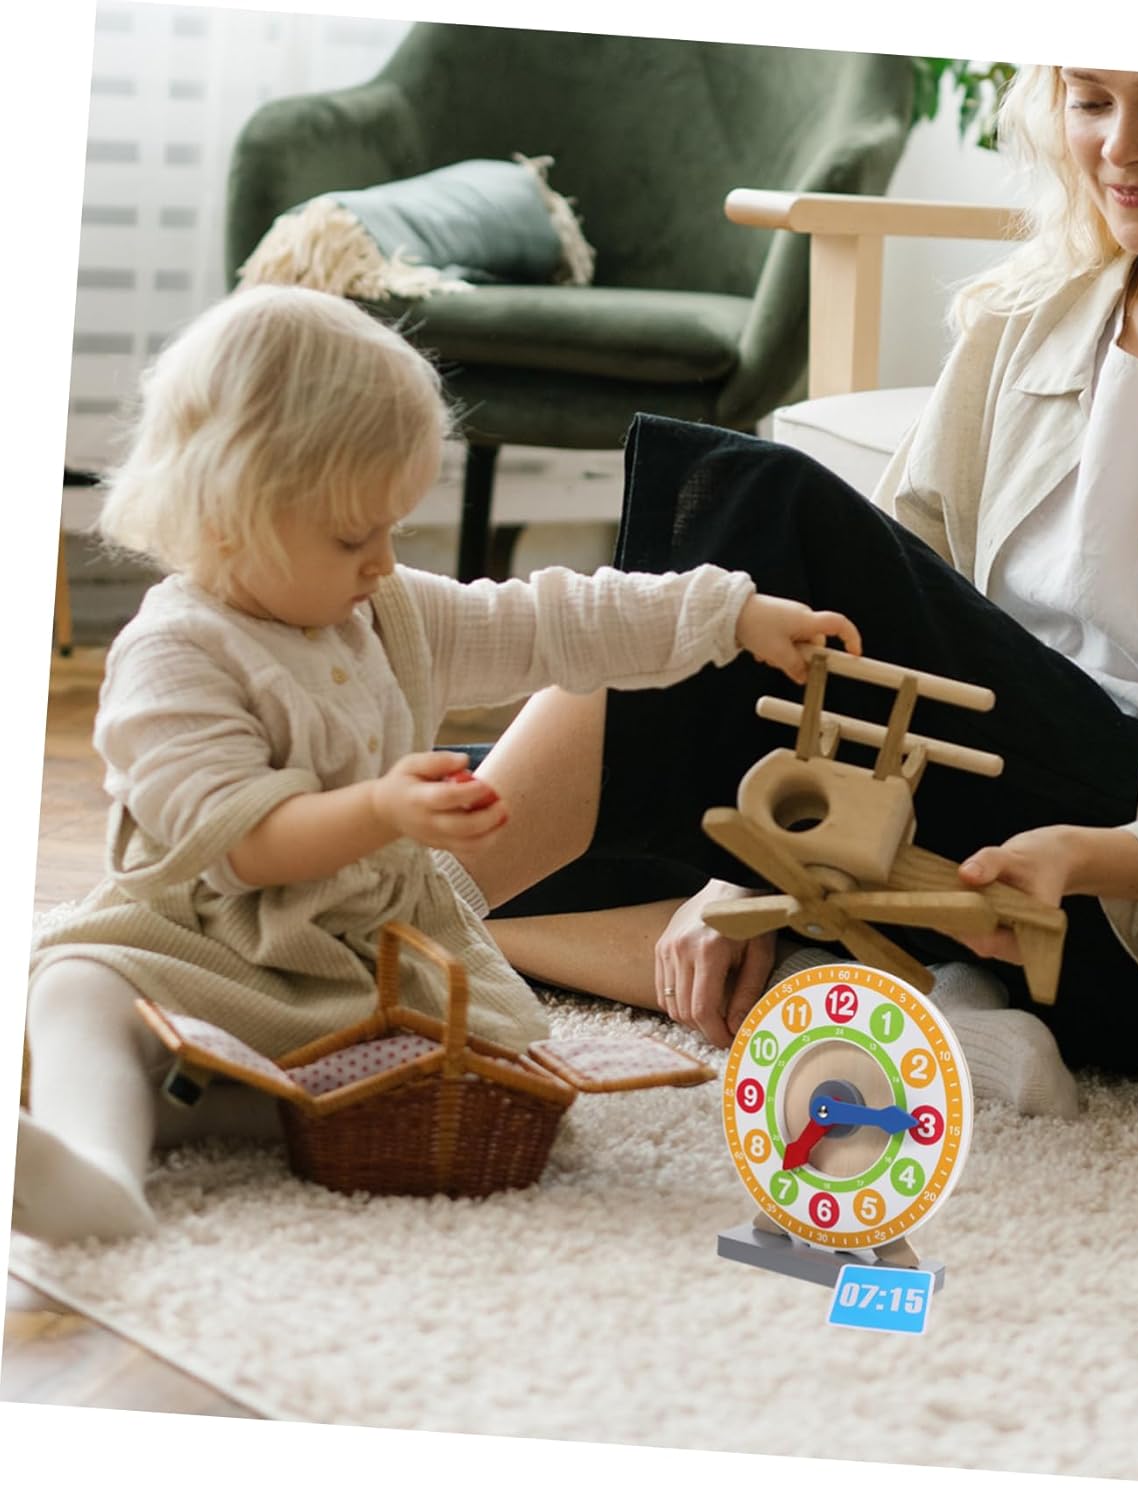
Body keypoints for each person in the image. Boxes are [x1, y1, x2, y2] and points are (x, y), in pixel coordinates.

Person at [452, 66, 1138, 1126]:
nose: (1122, 146)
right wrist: (743, 873)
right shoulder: (1030, 318)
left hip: (1125, 904)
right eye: (1092, 102)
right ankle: (897, 1006)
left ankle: (386, 938)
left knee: (763, 509)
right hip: (946, 818)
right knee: (459, 793)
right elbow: (897, 597)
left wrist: (1087, 854)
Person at [14, 284, 859, 1244]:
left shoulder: (388, 609)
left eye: (393, 528)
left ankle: (207, 1101)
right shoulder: (172, 655)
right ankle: (100, 1172)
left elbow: (551, 622)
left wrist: (728, 615)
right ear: (225, 518)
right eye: (352, 536)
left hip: (369, 960)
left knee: (492, 1071)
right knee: (74, 985)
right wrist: (381, 811)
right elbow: (242, 844)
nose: (382, 560)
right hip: (205, 944)